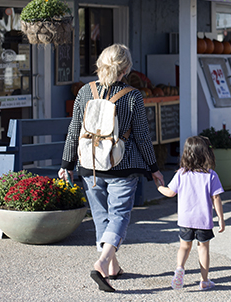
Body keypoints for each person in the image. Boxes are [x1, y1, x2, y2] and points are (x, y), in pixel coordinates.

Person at [59, 44, 165, 293]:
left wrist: (66, 164)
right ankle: (102, 262)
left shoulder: (85, 91)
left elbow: (74, 130)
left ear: (100, 64)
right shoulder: (132, 95)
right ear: (126, 69)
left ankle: (112, 268)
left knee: (100, 216)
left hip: (90, 165)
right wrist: (154, 168)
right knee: (119, 215)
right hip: (122, 164)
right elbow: (142, 136)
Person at [156, 135, 225, 291]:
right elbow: (216, 198)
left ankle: (180, 268)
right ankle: (204, 280)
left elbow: (170, 193)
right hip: (204, 221)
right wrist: (221, 218)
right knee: (203, 249)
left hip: (185, 220)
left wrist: (159, 187)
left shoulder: (181, 174)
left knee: (184, 247)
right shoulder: (211, 175)